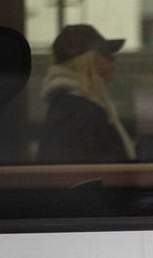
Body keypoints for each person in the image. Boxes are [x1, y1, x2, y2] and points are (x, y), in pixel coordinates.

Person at [37, 24, 136, 163]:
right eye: (106, 54)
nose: (113, 59)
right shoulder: (81, 113)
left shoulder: (71, 106)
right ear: (88, 61)